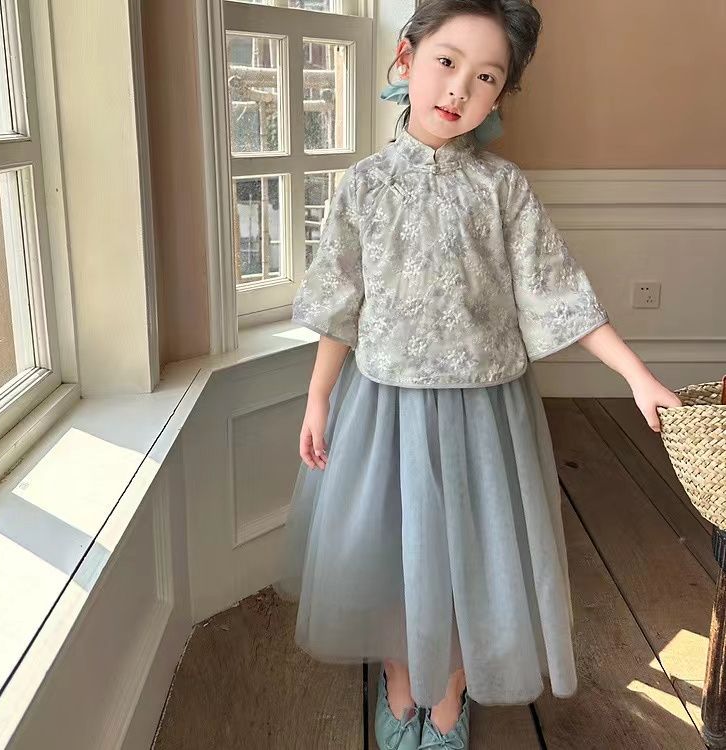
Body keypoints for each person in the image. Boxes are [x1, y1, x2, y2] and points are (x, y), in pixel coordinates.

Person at [273, 1, 682, 748]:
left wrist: (636, 375)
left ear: (499, 96)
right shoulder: (364, 185)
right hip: (386, 409)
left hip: (484, 413)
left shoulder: (503, 188)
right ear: (406, 59)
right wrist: (318, 397)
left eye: (487, 77)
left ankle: (451, 690)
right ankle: (401, 676)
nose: (460, 87)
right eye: (447, 61)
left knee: (473, 559)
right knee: (395, 556)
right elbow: (339, 305)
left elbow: (559, 293)